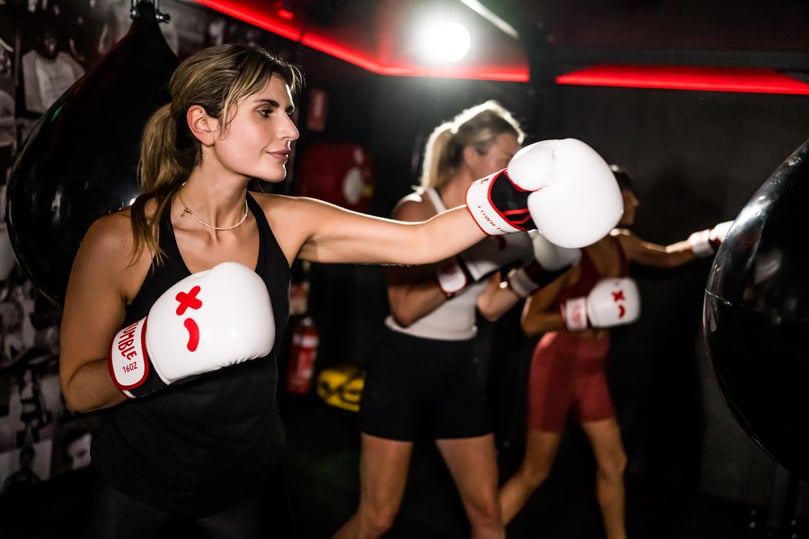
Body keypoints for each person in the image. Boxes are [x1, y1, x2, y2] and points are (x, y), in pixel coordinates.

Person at [58, 43, 621, 538]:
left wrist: (511, 195)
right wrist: (151, 355)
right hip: (137, 481)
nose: (292, 131)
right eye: (266, 111)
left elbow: (419, 241)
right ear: (203, 126)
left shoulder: (287, 221)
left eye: (290, 113)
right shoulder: (120, 241)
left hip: (246, 478)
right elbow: (79, 389)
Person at [332, 101, 584, 539]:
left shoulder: (496, 225)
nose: (514, 170)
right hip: (402, 365)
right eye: (506, 159)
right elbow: (405, 309)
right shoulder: (416, 210)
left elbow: (489, 307)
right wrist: (471, 266)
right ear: (472, 155)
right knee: (378, 518)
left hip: (458, 367)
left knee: (488, 513)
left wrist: (539, 272)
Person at [497, 165, 732, 538]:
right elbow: (530, 321)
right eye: (628, 195)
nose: (636, 201)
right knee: (535, 473)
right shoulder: (568, 251)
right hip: (557, 364)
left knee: (614, 463)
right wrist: (584, 312)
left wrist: (712, 239)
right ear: (607, 201)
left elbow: (667, 256)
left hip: (591, 369)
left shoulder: (623, 243)